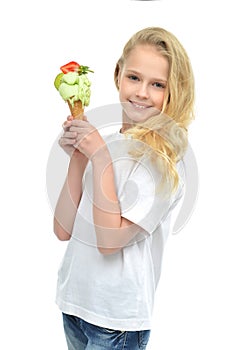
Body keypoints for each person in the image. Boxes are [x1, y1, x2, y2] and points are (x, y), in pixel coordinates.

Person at [54, 26, 195, 350]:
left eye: (157, 84)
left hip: (116, 322)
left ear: (174, 90)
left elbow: (109, 241)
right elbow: (63, 230)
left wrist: (99, 156)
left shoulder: (163, 164)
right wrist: (79, 157)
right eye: (134, 77)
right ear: (118, 75)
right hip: (75, 304)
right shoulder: (110, 143)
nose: (142, 92)